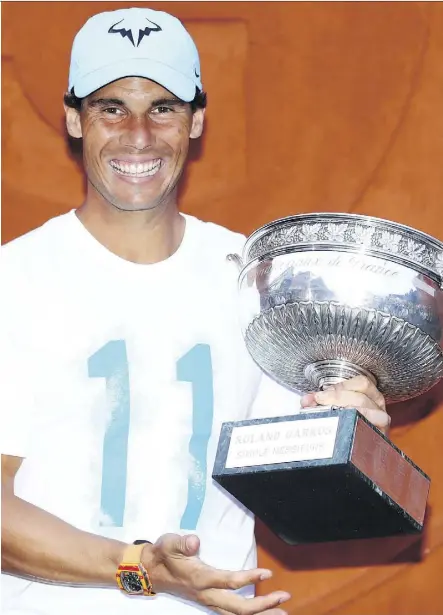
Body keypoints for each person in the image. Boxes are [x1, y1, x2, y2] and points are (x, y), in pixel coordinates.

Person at [1, 7, 390, 615]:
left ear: (197, 119)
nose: (139, 134)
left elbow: (298, 478)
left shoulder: (255, 278)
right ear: (74, 119)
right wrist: (141, 571)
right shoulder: (14, 282)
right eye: (112, 107)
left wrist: (350, 429)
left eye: (163, 107)